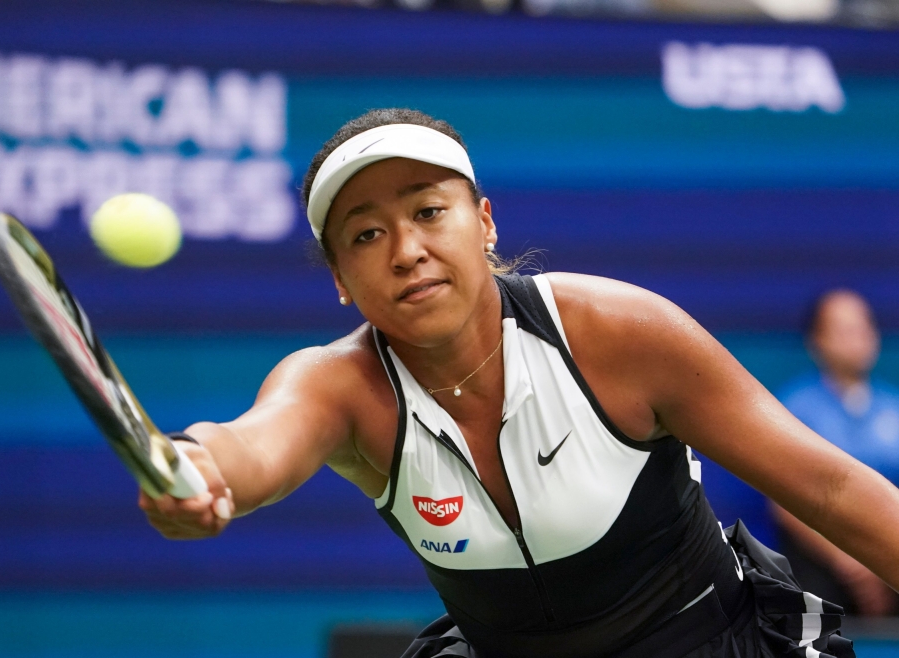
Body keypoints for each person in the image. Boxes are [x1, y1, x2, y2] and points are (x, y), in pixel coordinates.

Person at [139, 108, 899, 657]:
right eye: (366, 234)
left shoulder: (619, 332)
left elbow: (831, 488)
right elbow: (247, 448)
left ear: (486, 222)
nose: (406, 250)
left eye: (430, 211)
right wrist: (189, 467)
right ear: (340, 279)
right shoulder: (339, 387)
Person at [772, 289, 899, 618]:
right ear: (817, 340)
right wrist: (850, 562)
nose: (856, 339)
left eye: (863, 328)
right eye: (843, 330)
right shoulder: (796, 407)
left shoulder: (893, 408)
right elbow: (784, 503)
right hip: (821, 559)